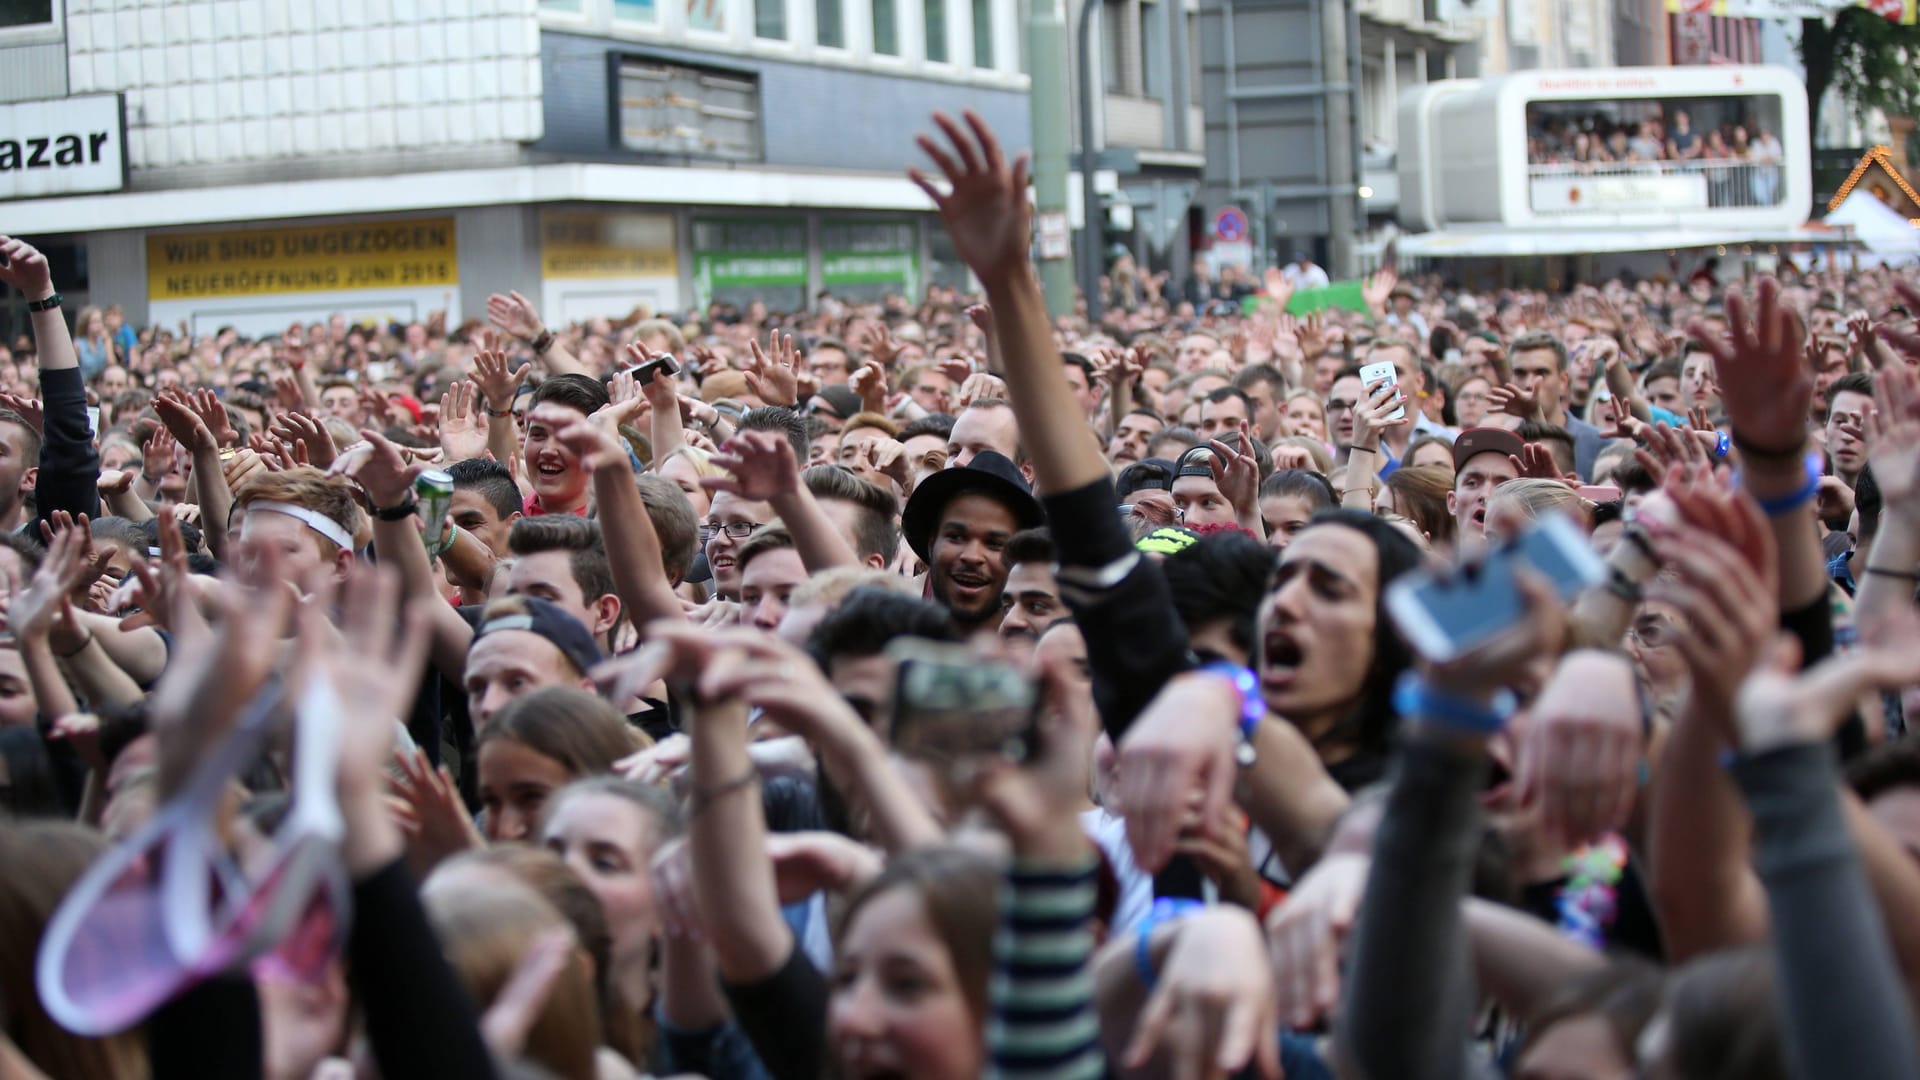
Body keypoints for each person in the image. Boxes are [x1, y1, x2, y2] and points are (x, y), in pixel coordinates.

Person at [900, 450, 1046, 638]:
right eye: (956, 537)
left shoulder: (1045, 661)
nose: (971, 556)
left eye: (994, 544)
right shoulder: (888, 649)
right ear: (932, 543)